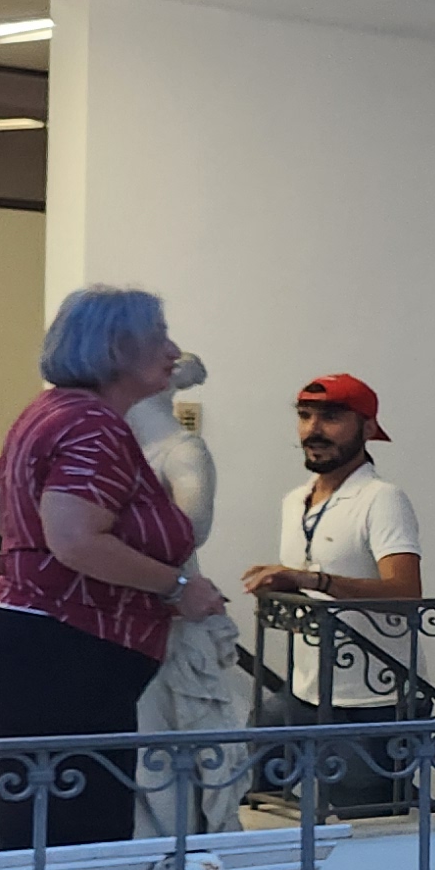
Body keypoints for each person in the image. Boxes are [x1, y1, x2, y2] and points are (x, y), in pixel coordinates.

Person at [0, 287, 224, 853]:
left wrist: (48, 557)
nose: (172, 350)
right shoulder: (94, 426)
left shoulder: (50, 412)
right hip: (62, 653)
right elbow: (76, 539)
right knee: (73, 846)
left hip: (25, 642)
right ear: (115, 348)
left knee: (32, 844)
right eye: (158, 336)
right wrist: (177, 586)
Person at [237, 373, 423, 710]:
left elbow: (406, 594)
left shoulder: (382, 498)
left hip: (377, 698)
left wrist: (314, 580)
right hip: (305, 690)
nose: (313, 430)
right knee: (256, 737)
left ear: (367, 428)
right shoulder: (295, 500)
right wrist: (287, 586)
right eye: (304, 416)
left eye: (331, 417)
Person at [123, 351, 252, 833]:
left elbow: (190, 529)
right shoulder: (111, 448)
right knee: (135, 754)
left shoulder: (182, 450)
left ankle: (176, 857)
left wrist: (99, 536)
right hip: (119, 620)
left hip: (169, 623)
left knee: (165, 757)